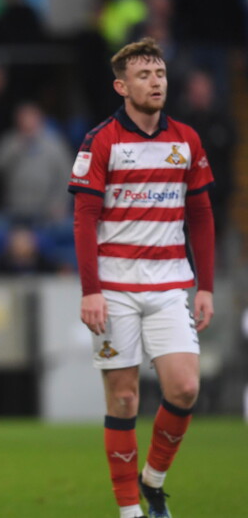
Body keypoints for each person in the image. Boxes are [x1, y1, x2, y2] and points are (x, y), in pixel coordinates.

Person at [68, 37, 214, 518]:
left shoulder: (186, 141)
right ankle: (130, 510)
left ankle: (153, 479)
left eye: (160, 74)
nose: (156, 82)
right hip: (115, 288)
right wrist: (91, 291)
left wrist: (205, 286)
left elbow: (202, 215)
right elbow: (84, 218)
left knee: (185, 388)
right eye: (144, 75)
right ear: (121, 85)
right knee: (125, 398)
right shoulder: (102, 140)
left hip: (171, 284)